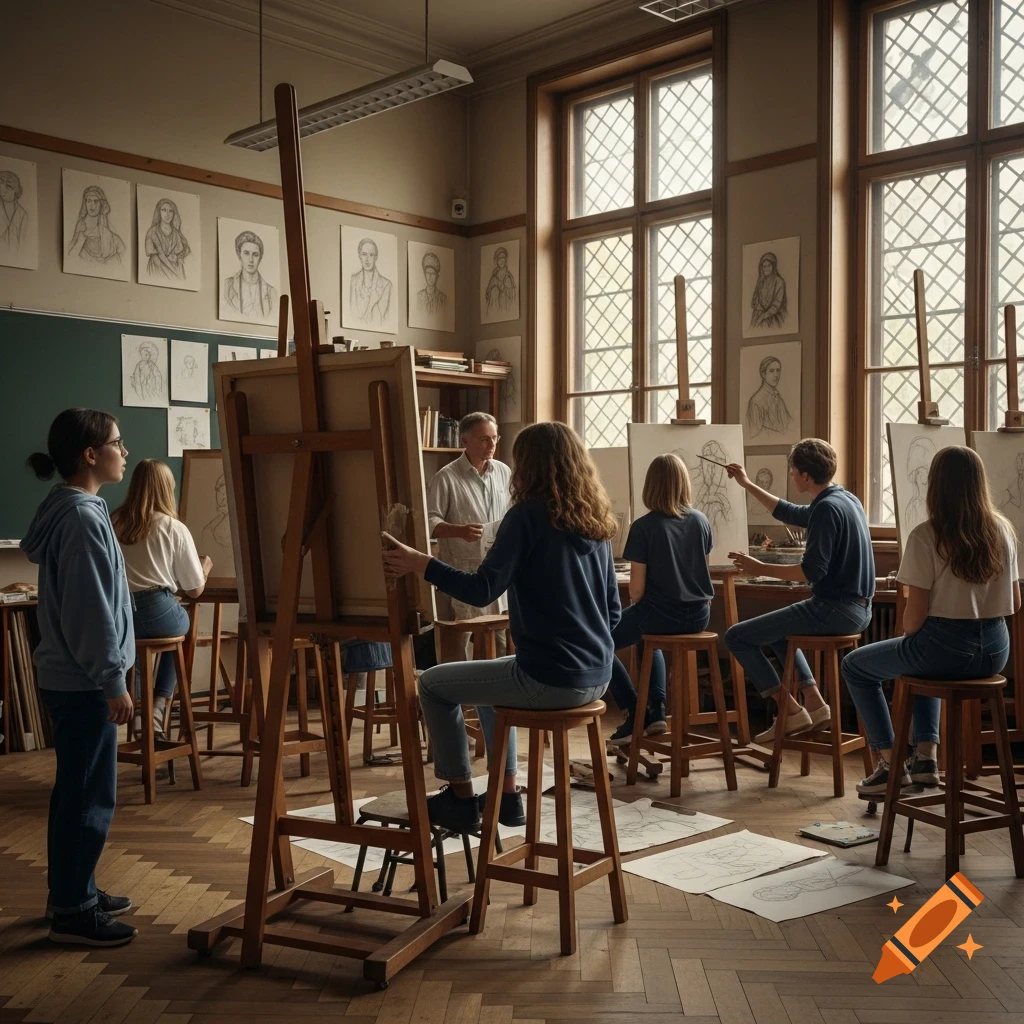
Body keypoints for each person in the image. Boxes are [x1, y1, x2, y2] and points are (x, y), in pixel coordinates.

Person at [382, 422, 621, 831]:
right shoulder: (594, 520)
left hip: (552, 678)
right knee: (491, 682)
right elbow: (613, 612)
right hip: (599, 675)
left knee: (432, 685)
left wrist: (422, 564)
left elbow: (481, 590)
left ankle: (459, 798)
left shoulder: (526, 516)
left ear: (528, 465)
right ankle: (507, 797)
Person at [21, 410, 137, 947]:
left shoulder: (75, 509)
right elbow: (91, 611)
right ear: (90, 455)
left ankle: (75, 889)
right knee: (89, 795)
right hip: (85, 681)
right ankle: (73, 911)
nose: (125, 450)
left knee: (79, 791)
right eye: (116, 443)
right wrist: (112, 679)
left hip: (73, 677)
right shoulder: (84, 519)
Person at [843, 446, 1021, 795]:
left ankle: (889, 763)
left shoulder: (927, 535)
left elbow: (913, 623)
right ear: (979, 484)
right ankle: (925, 758)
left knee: (855, 666)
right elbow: (1014, 602)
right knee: (921, 661)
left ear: (935, 486)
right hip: (997, 650)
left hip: (946, 647)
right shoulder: (1003, 530)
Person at [723, 438, 874, 743]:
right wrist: (747, 484)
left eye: (793, 471)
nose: (791, 476)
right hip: (858, 610)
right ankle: (815, 704)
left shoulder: (827, 509)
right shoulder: (844, 498)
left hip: (836, 610)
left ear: (806, 476)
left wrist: (759, 568)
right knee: (776, 630)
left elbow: (811, 572)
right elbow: (789, 512)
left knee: (736, 637)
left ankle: (790, 711)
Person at [606, 454, 713, 744]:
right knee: (646, 637)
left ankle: (634, 711)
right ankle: (656, 713)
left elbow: (637, 591)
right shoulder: (701, 520)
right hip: (700, 615)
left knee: (598, 641)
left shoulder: (643, 527)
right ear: (683, 484)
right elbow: (698, 569)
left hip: (660, 613)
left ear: (651, 485)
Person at [112, 460, 211, 739]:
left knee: (138, 648)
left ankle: (140, 711)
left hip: (120, 612)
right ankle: (158, 706)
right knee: (179, 628)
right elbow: (194, 590)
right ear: (168, 489)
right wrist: (203, 570)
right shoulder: (173, 527)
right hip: (158, 610)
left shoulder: (113, 520)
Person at [427, 412, 512, 661]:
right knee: (460, 639)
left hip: (497, 568)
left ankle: (497, 698)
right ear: (465, 441)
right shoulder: (446, 477)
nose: (492, 445)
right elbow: (429, 523)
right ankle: (458, 698)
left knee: (500, 639)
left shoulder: (504, 472)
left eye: (495, 438)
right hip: (462, 570)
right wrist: (459, 531)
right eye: (484, 439)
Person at [222, 230, 277, 318]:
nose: (251, 260)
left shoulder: (271, 292)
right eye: (246, 253)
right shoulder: (227, 286)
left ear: (260, 257)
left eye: (255, 255)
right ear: (239, 255)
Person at [67, 186, 126, 265]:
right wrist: (79, 236)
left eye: (96, 201)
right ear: (85, 203)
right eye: (89, 201)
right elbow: (70, 254)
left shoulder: (109, 235)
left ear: (101, 203)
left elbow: (122, 253)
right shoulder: (80, 227)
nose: (92, 205)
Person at [745, 355, 793, 439]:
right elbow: (755, 434)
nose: (776, 375)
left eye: (778, 371)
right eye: (771, 371)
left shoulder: (777, 397)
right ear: (763, 374)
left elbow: (788, 424)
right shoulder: (756, 401)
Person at [349, 237, 392, 327]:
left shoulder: (386, 285)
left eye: (371, 255)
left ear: (376, 257)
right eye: (364, 254)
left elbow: (384, 321)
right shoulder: (353, 280)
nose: (367, 259)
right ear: (359, 256)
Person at [144, 197, 191, 281]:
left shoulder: (177, 233)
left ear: (174, 213)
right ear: (159, 212)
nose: (167, 214)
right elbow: (153, 254)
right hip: (158, 269)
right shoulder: (152, 232)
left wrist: (179, 257)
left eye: (170, 211)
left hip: (176, 269)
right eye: (164, 210)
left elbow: (186, 248)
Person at [749, 251, 787, 330]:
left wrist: (764, 316)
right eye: (764, 266)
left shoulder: (779, 282)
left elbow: (777, 304)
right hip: (759, 315)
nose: (766, 269)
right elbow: (754, 303)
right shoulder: (760, 282)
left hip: (774, 317)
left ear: (773, 266)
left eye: (769, 266)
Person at [484, 246, 517, 317]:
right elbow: (488, 290)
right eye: (499, 259)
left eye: (503, 259)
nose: (502, 261)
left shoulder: (508, 275)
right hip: (495, 305)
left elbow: (512, 291)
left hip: (505, 303)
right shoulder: (494, 275)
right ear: (496, 261)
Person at [417, 251, 447, 317]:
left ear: (437, 276)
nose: (430, 276)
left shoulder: (442, 298)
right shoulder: (419, 296)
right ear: (424, 275)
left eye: (433, 273)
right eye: (428, 273)